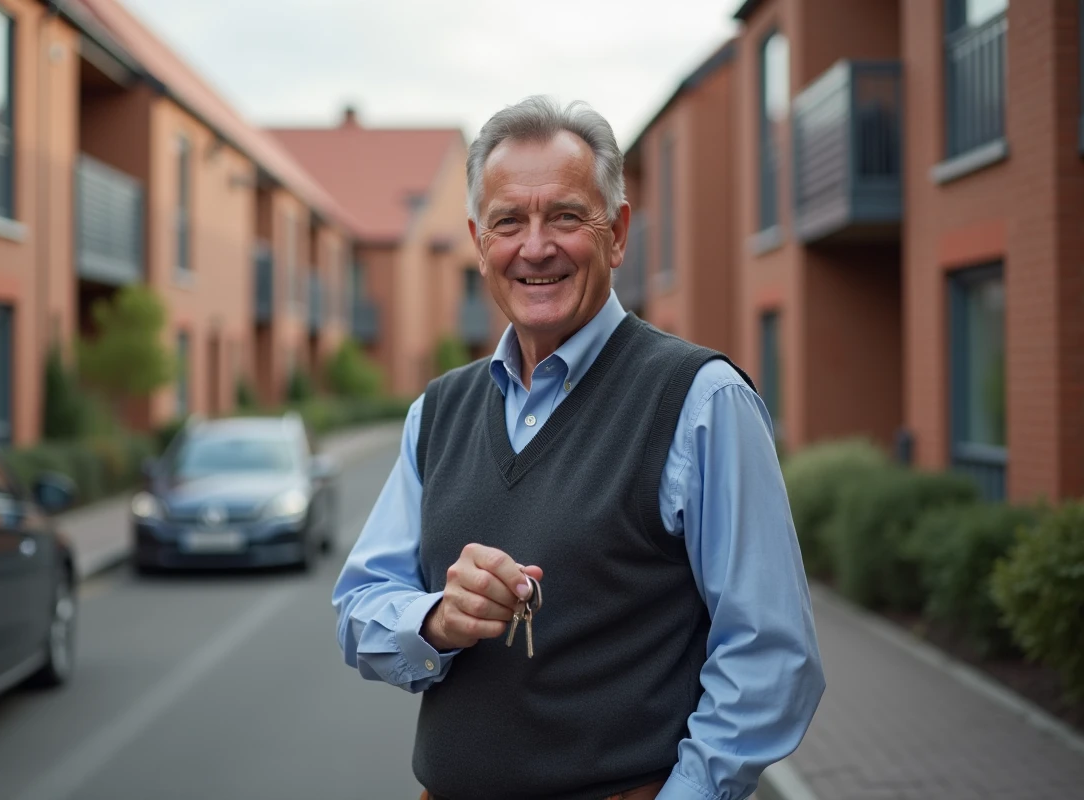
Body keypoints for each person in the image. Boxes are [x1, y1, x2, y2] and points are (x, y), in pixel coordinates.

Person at [332, 96, 824, 800]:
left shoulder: (701, 401)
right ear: (478, 242)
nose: (535, 247)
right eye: (509, 222)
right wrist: (438, 618)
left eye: (565, 216)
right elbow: (359, 610)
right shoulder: (436, 411)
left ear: (618, 233)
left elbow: (772, 656)